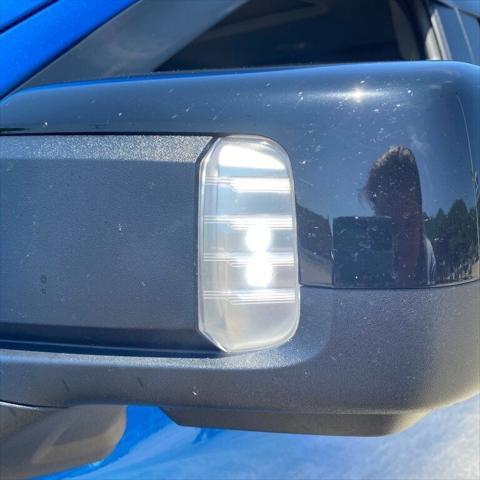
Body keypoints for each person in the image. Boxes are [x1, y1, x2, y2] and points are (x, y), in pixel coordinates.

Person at [363, 146, 436, 286]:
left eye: (411, 222)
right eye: (391, 225)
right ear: (376, 219)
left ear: (421, 221)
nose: (402, 238)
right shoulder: (362, 254)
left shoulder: (427, 254)